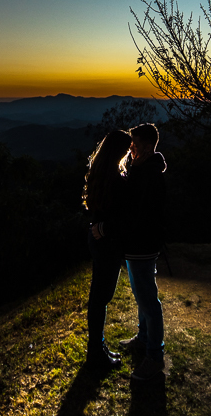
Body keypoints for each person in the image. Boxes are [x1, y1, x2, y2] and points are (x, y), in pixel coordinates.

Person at [116, 122, 167, 382]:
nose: (131, 149)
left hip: (142, 245)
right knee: (142, 294)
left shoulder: (147, 173)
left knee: (148, 299)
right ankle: (143, 338)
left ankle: (154, 358)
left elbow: (132, 204)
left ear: (147, 147)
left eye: (134, 144)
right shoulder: (146, 170)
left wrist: (133, 171)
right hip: (138, 245)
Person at [83, 130, 132, 369]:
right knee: (101, 297)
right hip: (107, 243)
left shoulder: (98, 172)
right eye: (127, 149)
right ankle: (96, 353)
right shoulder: (116, 179)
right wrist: (106, 227)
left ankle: (97, 347)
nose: (129, 153)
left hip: (98, 239)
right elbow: (124, 216)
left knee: (98, 297)